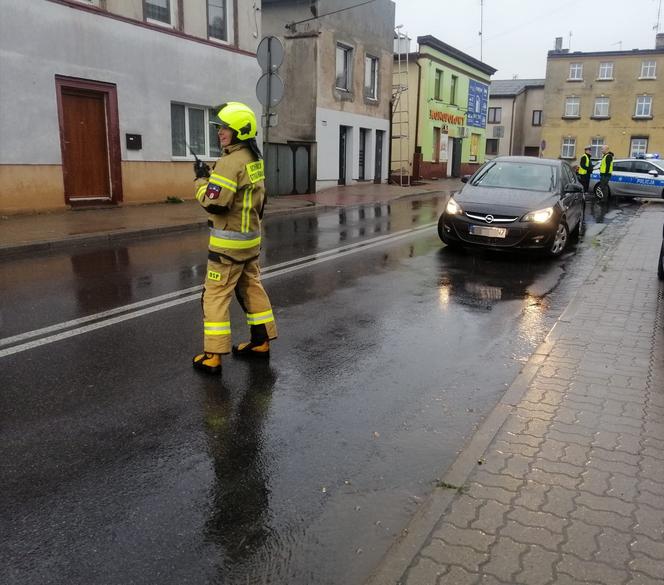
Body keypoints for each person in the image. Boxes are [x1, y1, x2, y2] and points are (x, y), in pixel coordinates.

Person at [191, 102, 277, 375]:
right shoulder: (254, 159)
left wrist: (201, 182)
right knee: (251, 288)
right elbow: (258, 201)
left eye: (225, 128)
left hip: (227, 247)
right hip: (250, 242)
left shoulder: (230, 162)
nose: (220, 132)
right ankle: (261, 342)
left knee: (214, 296)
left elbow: (215, 204)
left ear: (239, 131)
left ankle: (212, 356)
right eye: (219, 128)